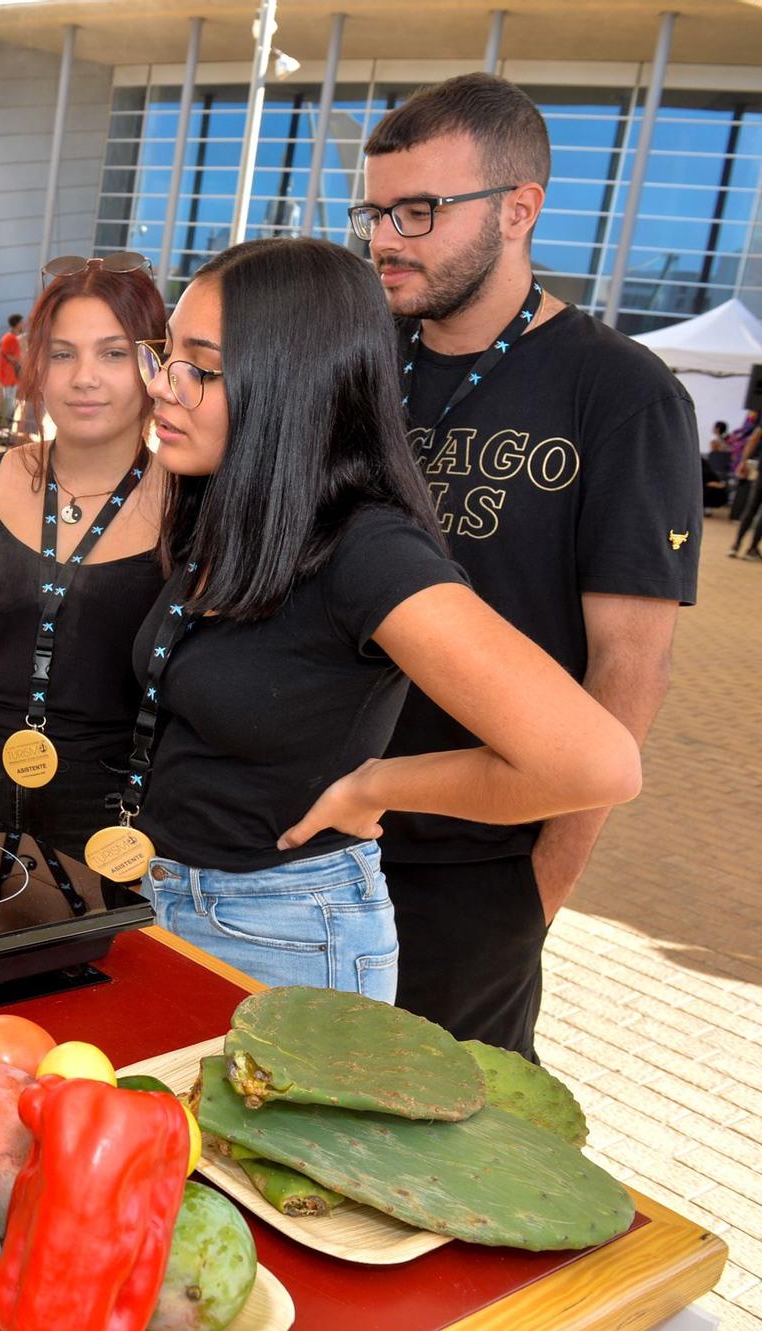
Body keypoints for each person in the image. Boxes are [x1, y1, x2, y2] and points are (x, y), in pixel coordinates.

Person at [130, 237, 640, 1001]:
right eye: (164, 355)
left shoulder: (366, 549)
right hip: (169, 900)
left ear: (291, 384)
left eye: (199, 368)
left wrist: (374, 787)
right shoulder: (229, 507)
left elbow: (597, 762)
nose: (164, 388)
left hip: (284, 936)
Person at [360, 74, 699, 1058]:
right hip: (307, 837)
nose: (386, 238)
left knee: (429, 1164)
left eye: (418, 211)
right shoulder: (353, 361)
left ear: (517, 209)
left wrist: (536, 892)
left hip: (474, 870)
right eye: (376, 210)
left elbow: (630, 666)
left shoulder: (620, 394)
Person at [0, 263, 169, 871]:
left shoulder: (192, 510)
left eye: (113, 353)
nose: (84, 378)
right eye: (63, 355)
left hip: (113, 804)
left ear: (154, 364)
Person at [0, 312, 25, 419]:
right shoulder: (10, 338)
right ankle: (3, 426)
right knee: (8, 404)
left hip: (11, 378)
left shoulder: (12, 338)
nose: (24, 325)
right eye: (22, 322)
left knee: (10, 403)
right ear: (17, 324)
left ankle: (5, 425)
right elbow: (9, 356)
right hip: (7, 378)